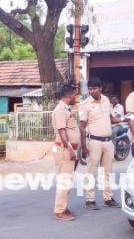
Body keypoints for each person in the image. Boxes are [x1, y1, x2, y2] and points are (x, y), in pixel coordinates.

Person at [79, 77, 121, 210]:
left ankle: (108, 198)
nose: (92, 91)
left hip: (108, 142)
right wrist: (84, 146)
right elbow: (82, 126)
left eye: (95, 88)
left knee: (107, 172)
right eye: (90, 89)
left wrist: (124, 118)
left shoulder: (106, 100)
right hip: (94, 142)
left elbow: (112, 119)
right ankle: (90, 200)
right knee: (92, 172)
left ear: (100, 88)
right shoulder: (85, 104)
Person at [51, 84, 80, 221]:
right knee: (64, 180)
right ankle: (59, 212)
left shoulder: (65, 109)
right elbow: (62, 131)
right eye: (75, 94)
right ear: (69, 95)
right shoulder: (60, 110)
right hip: (64, 150)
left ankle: (62, 207)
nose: (76, 97)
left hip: (66, 149)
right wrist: (70, 149)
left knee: (67, 180)